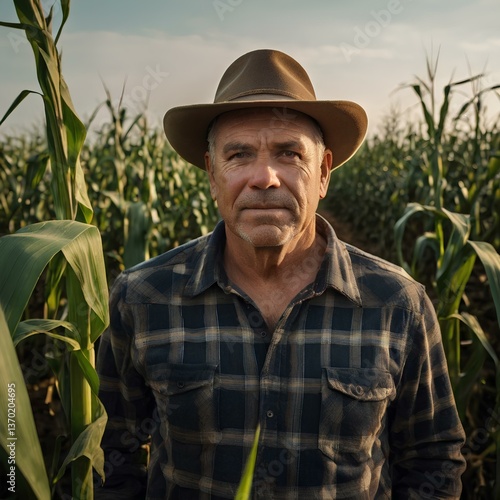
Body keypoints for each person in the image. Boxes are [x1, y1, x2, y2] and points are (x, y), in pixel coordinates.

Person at [96, 49, 466, 499]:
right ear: (212, 175)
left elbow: (432, 459)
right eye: (239, 155)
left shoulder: (398, 305)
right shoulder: (141, 299)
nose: (265, 177)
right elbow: (112, 456)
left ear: (323, 172)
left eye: (289, 153)